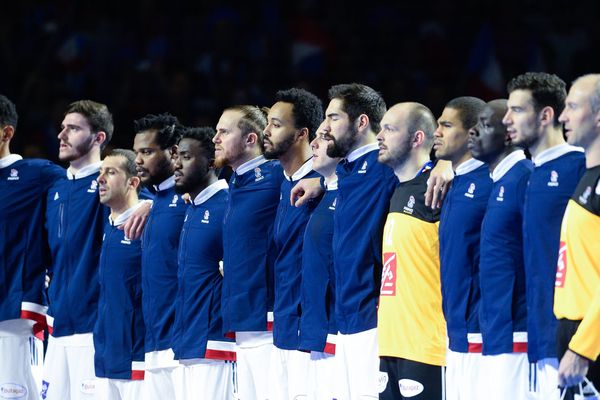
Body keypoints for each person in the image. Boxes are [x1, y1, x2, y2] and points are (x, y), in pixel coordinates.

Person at [503, 72, 586, 399]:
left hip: (575, 338)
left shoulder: (580, 167)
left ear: (546, 115)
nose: (507, 119)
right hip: (539, 335)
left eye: (517, 110)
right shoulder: (530, 172)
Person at [43, 100, 115, 400]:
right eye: (62, 128)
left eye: (73, 128)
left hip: (94, 327)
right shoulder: (56, 189)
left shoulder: (111, 183)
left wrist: (146, 204)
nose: (62, 135)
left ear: (98, 138)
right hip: (57, 325)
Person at [376, 102, 446, 399]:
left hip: (425, 348)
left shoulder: (437, 187)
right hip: (390, 346)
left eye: (389, 129)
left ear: (417, 138)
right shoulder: (396, 189)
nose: (379, 136)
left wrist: (448, 162)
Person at [213, 105, 283, 400]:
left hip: (268, 320)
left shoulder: (277, 174)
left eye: (224, 131)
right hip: (242, 322)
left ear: (251, 139)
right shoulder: (234, 182)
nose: (215, 138)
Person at [0, 94, 64, 400]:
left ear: (7, 132)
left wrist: (144, 204)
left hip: (13, 311)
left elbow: (93, 183)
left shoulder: (36, 174)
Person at [263, 88, 323, 399]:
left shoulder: (323, 181)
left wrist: (325, 181)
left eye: (275, 124)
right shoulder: (277, 181)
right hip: (282, 327)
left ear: (301, 134)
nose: (266, 131)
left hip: (314, 333)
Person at [474, 99, 533, 400]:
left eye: (484, 124)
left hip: (517, 332)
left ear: (508, 134)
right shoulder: (499, 180)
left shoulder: (524, 177)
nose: (473, 132)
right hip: (496, 329)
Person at [171, 127, 235, 400]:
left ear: (211, 162)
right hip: (187, 342)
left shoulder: (229, 204)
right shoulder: (193, 208)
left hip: (215, 343)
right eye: (176, 156)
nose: (176, 164)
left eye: (185, 157)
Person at [435, 96, 490, 400]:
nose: (437, 131)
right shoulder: (449, 181)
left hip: (481, 334)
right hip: (454, 334)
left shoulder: (491, 181)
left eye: (446, 125)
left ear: (471, 133)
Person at [132, 113, 188, 400]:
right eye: (136, 153)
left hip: (183, 346)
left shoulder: (193, 199)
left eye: (147, 152)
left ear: (174, 152)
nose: (138, 160)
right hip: (152, 344)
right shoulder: (153, 203)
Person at [554, 73, 600, 398]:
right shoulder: (587, 178)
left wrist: (583, 347)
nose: (563, 116)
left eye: (572, 106)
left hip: (590, 340)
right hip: (573, 331)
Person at [94, 149, 145, 399]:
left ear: (133, 182)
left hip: (138, 358)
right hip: (106, 355)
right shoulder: (109, 227)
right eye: (101, 172)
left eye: (111, 172)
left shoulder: (148, 224)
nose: (100, 179)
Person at [298, 120, 341, 399]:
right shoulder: (320, 194)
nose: (313, 144)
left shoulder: (360, 190)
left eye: (324, 137)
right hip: (316, 334)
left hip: (342, 332)